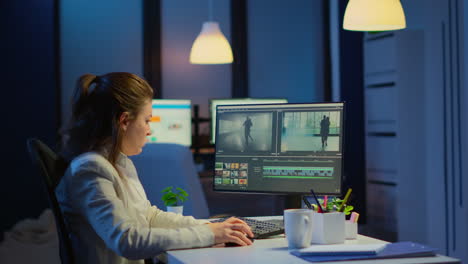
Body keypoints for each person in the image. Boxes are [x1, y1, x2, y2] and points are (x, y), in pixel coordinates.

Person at [56, 72, 253, 264]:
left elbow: (148, 217)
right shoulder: (90, 168)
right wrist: (209, 235)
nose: (150, 130)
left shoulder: (117, 163)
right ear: (124, 121)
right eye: (147, 120)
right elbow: (126, 240)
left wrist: (211, 227)